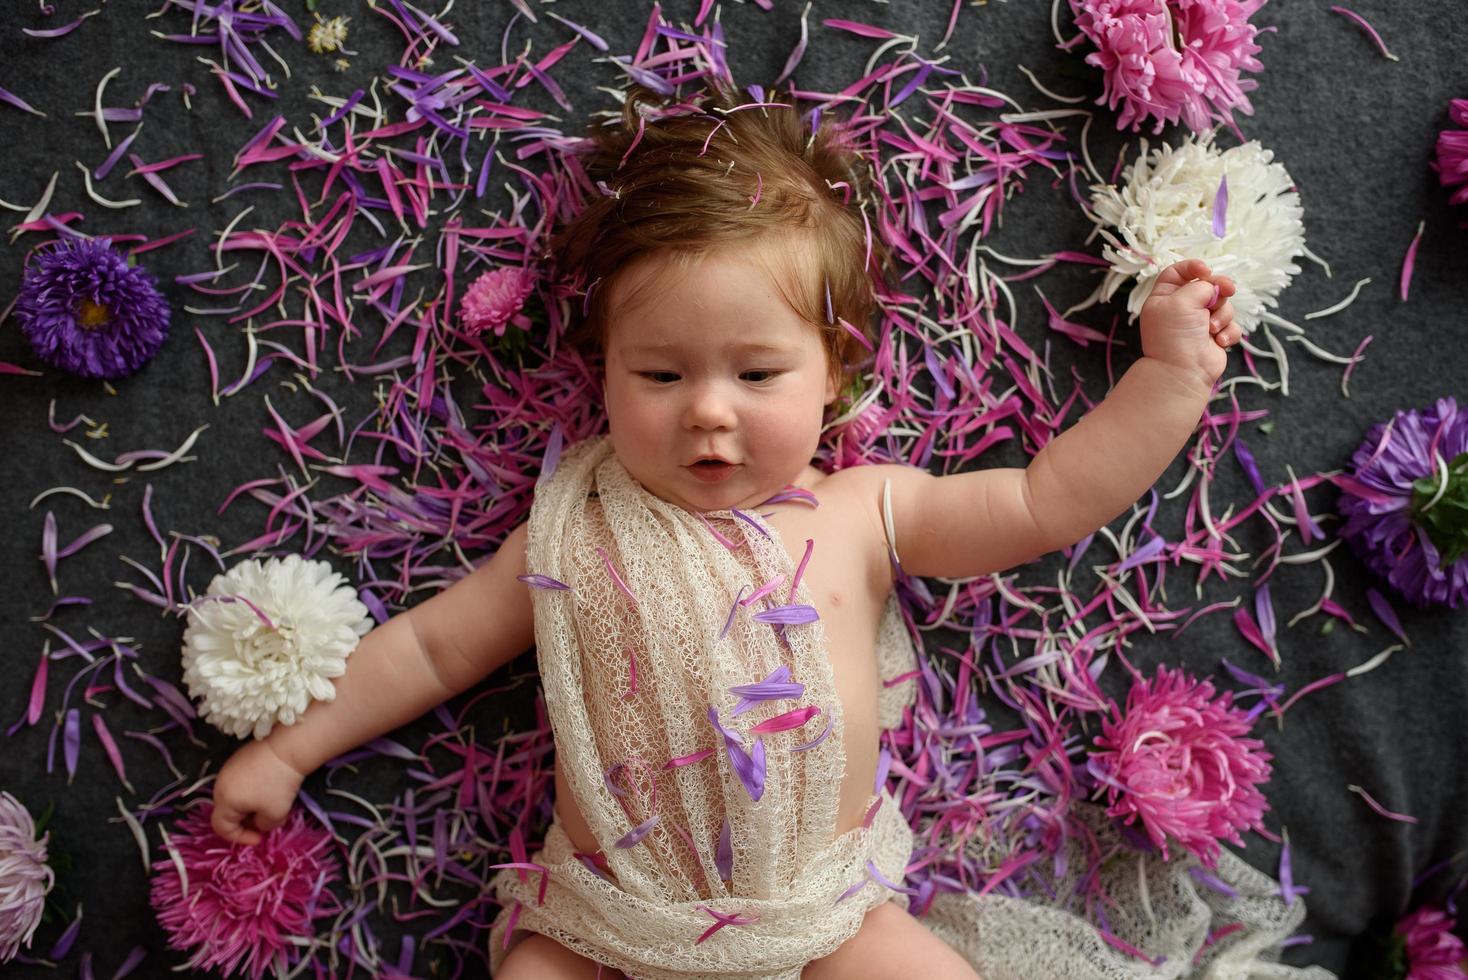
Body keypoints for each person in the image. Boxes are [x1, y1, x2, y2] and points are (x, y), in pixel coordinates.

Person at [210, 84, 1250, 979]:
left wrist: (1166, 378)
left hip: (821, 922)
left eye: (757, 374)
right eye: (660, 374)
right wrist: (294, 748)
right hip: (609, 927)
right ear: (602, 369)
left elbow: (1042, 500)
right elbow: (436, 645)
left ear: (834, 371)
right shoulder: (572, 533)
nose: (709, 410)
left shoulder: (863, 512)